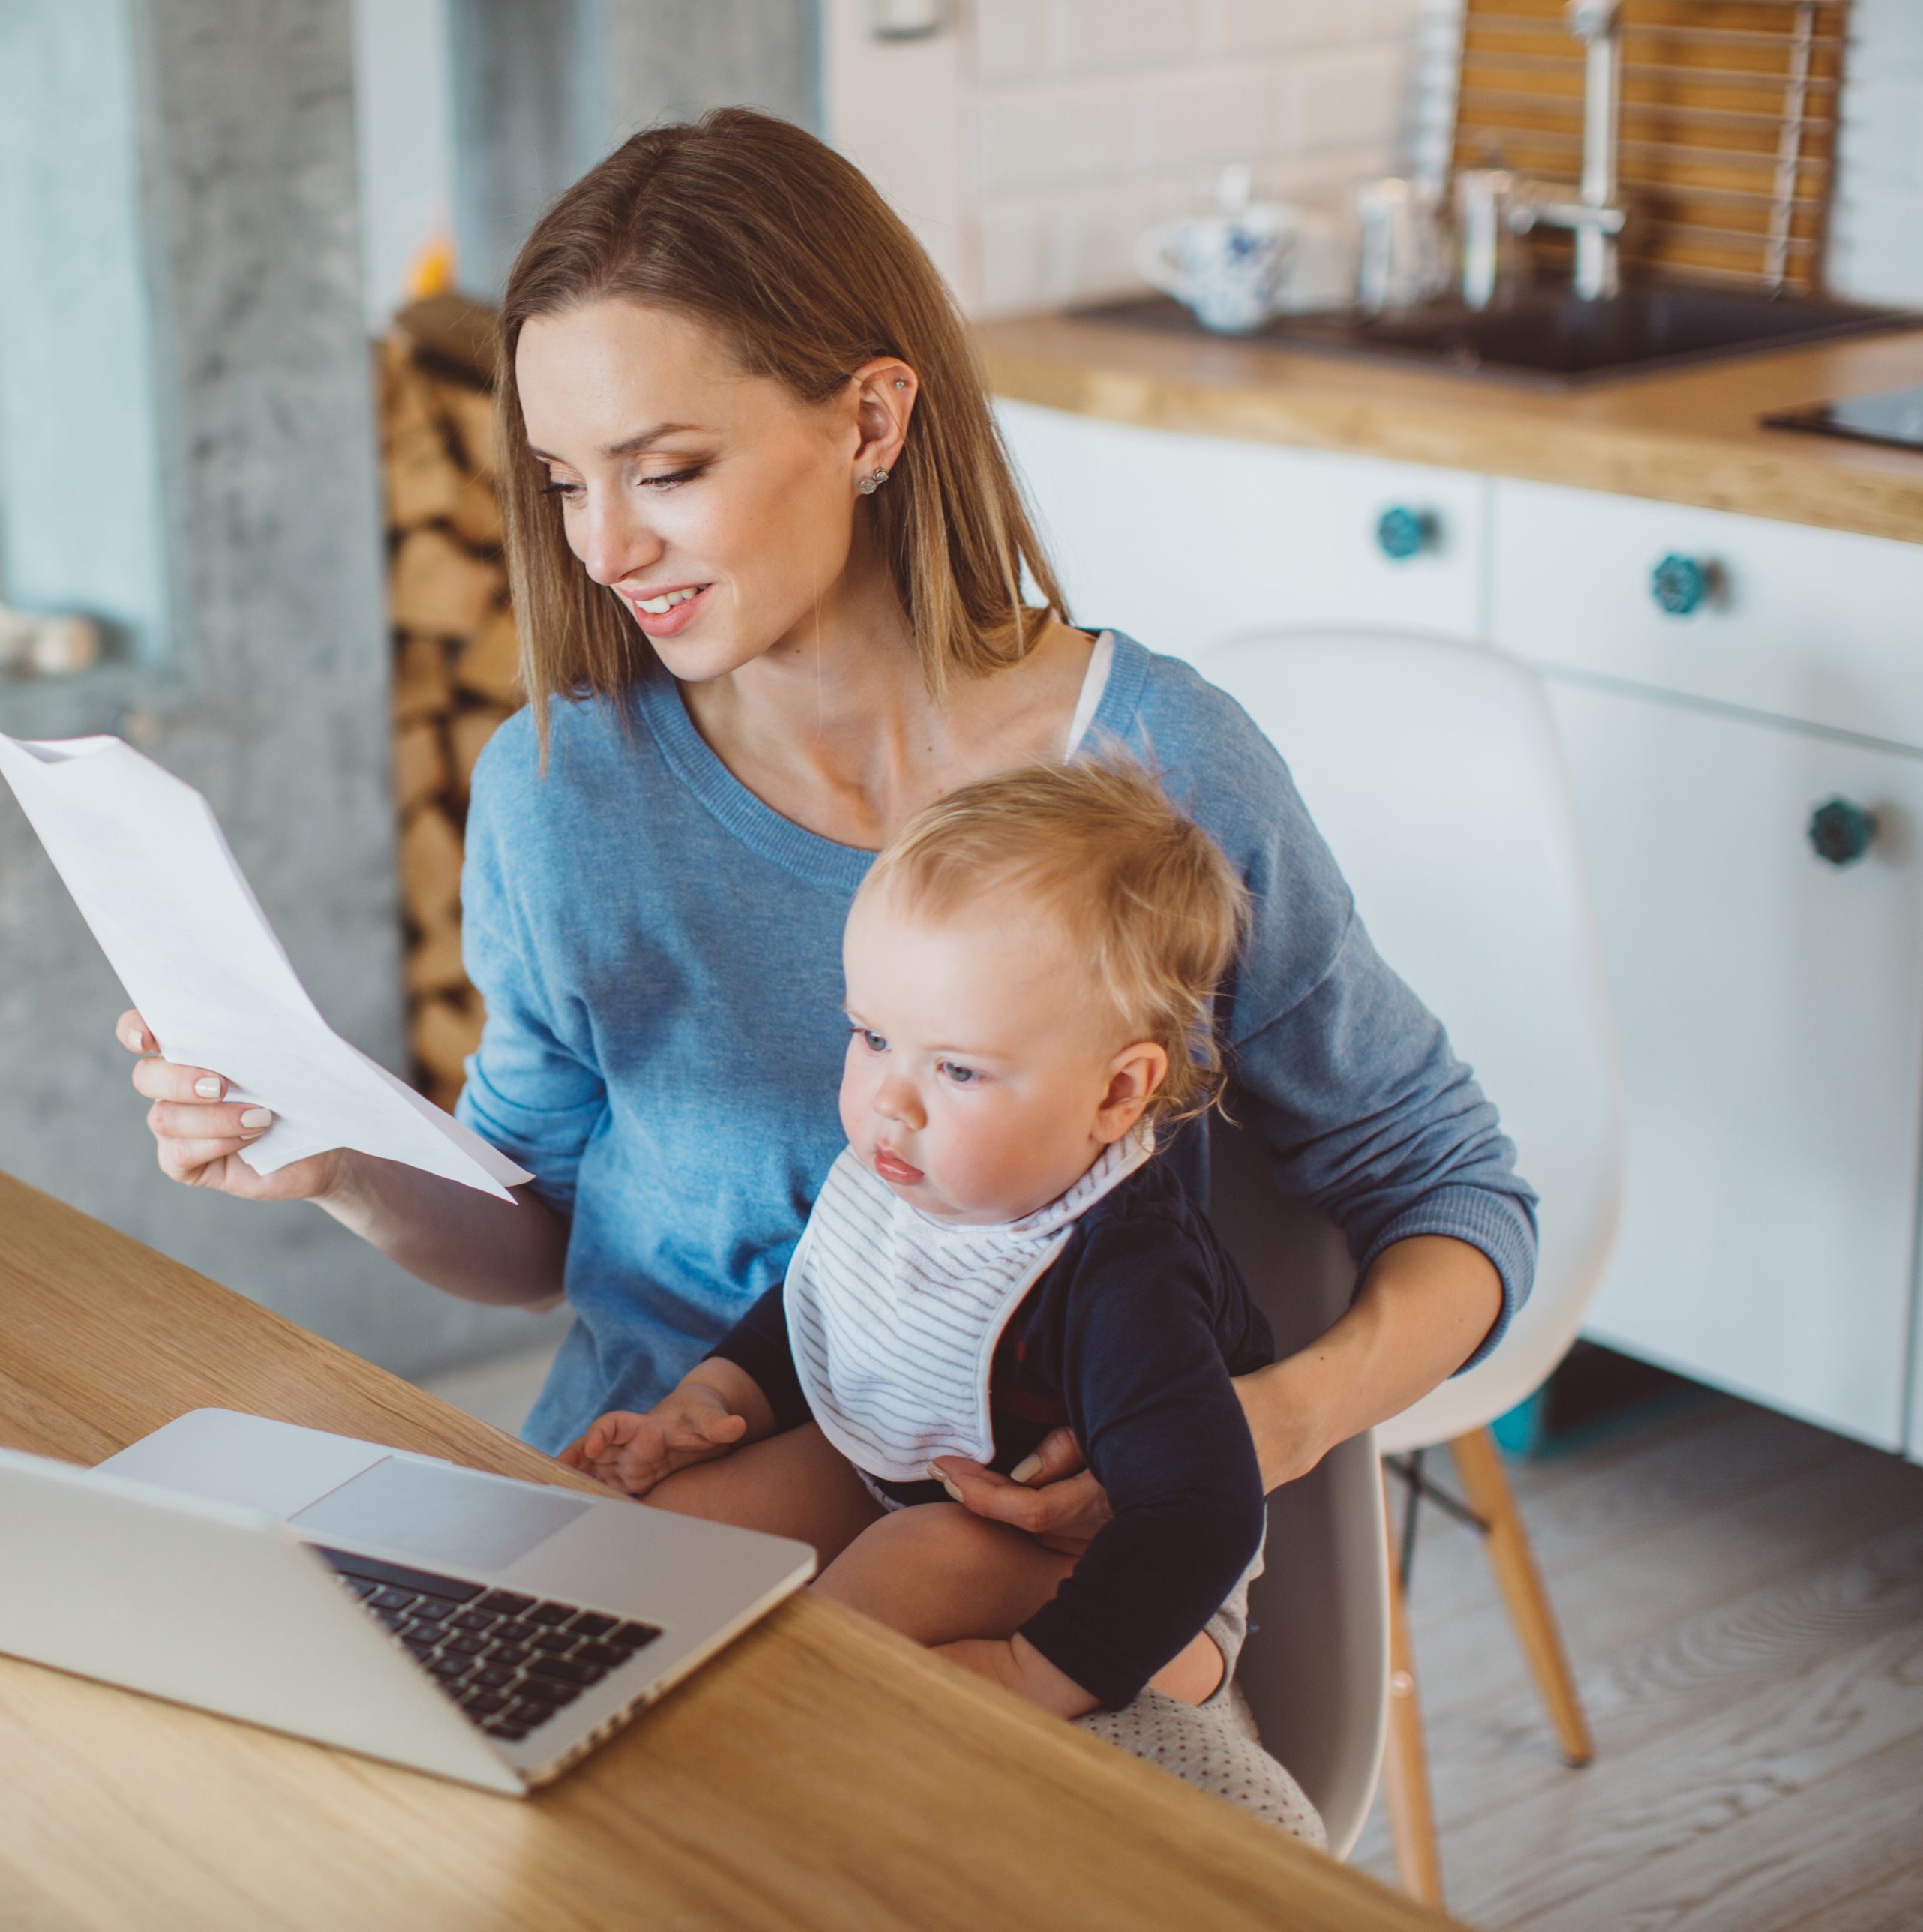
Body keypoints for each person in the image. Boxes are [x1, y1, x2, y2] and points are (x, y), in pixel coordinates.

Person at [117, 108, 1532, 1592]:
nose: (601, 550)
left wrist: (1267, 1428)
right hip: (629, 1511)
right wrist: (339, 1151)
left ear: (869, 421)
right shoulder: (562, 792)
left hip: (1005, 1573)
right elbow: (535, 1238)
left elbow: (1451, 1185)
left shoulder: (1165, 771)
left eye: (663, 471)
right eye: (561, 480)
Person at [565, 760, 1268, 1742]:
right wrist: (710, 1402)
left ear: (1115, 1096)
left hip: (1141, 1581)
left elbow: (1202, 1518)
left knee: (909, 1568)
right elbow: (822, 1312)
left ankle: (755, 1754)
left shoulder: (1123, 1273)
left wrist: (1034, 1674)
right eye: (873, 1037)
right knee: (680, 1526)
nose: (892, 1100)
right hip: (915, 1478)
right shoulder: (917, 1167)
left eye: (959, 1068)